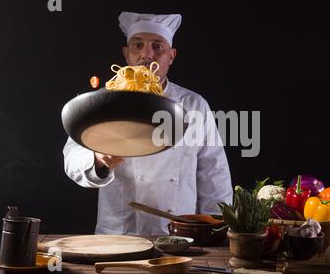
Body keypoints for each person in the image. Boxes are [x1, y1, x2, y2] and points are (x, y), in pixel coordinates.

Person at [63, 12, 233, 235]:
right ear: (126, 53)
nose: (146, 54)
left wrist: (217, 230)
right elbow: (71, 158)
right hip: (119, 234)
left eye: (157, 46)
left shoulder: (193, 105)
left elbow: (214, 173)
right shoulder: (104, 101)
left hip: (178, 234)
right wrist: (97, 160)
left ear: (171, 56)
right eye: (138, 45)